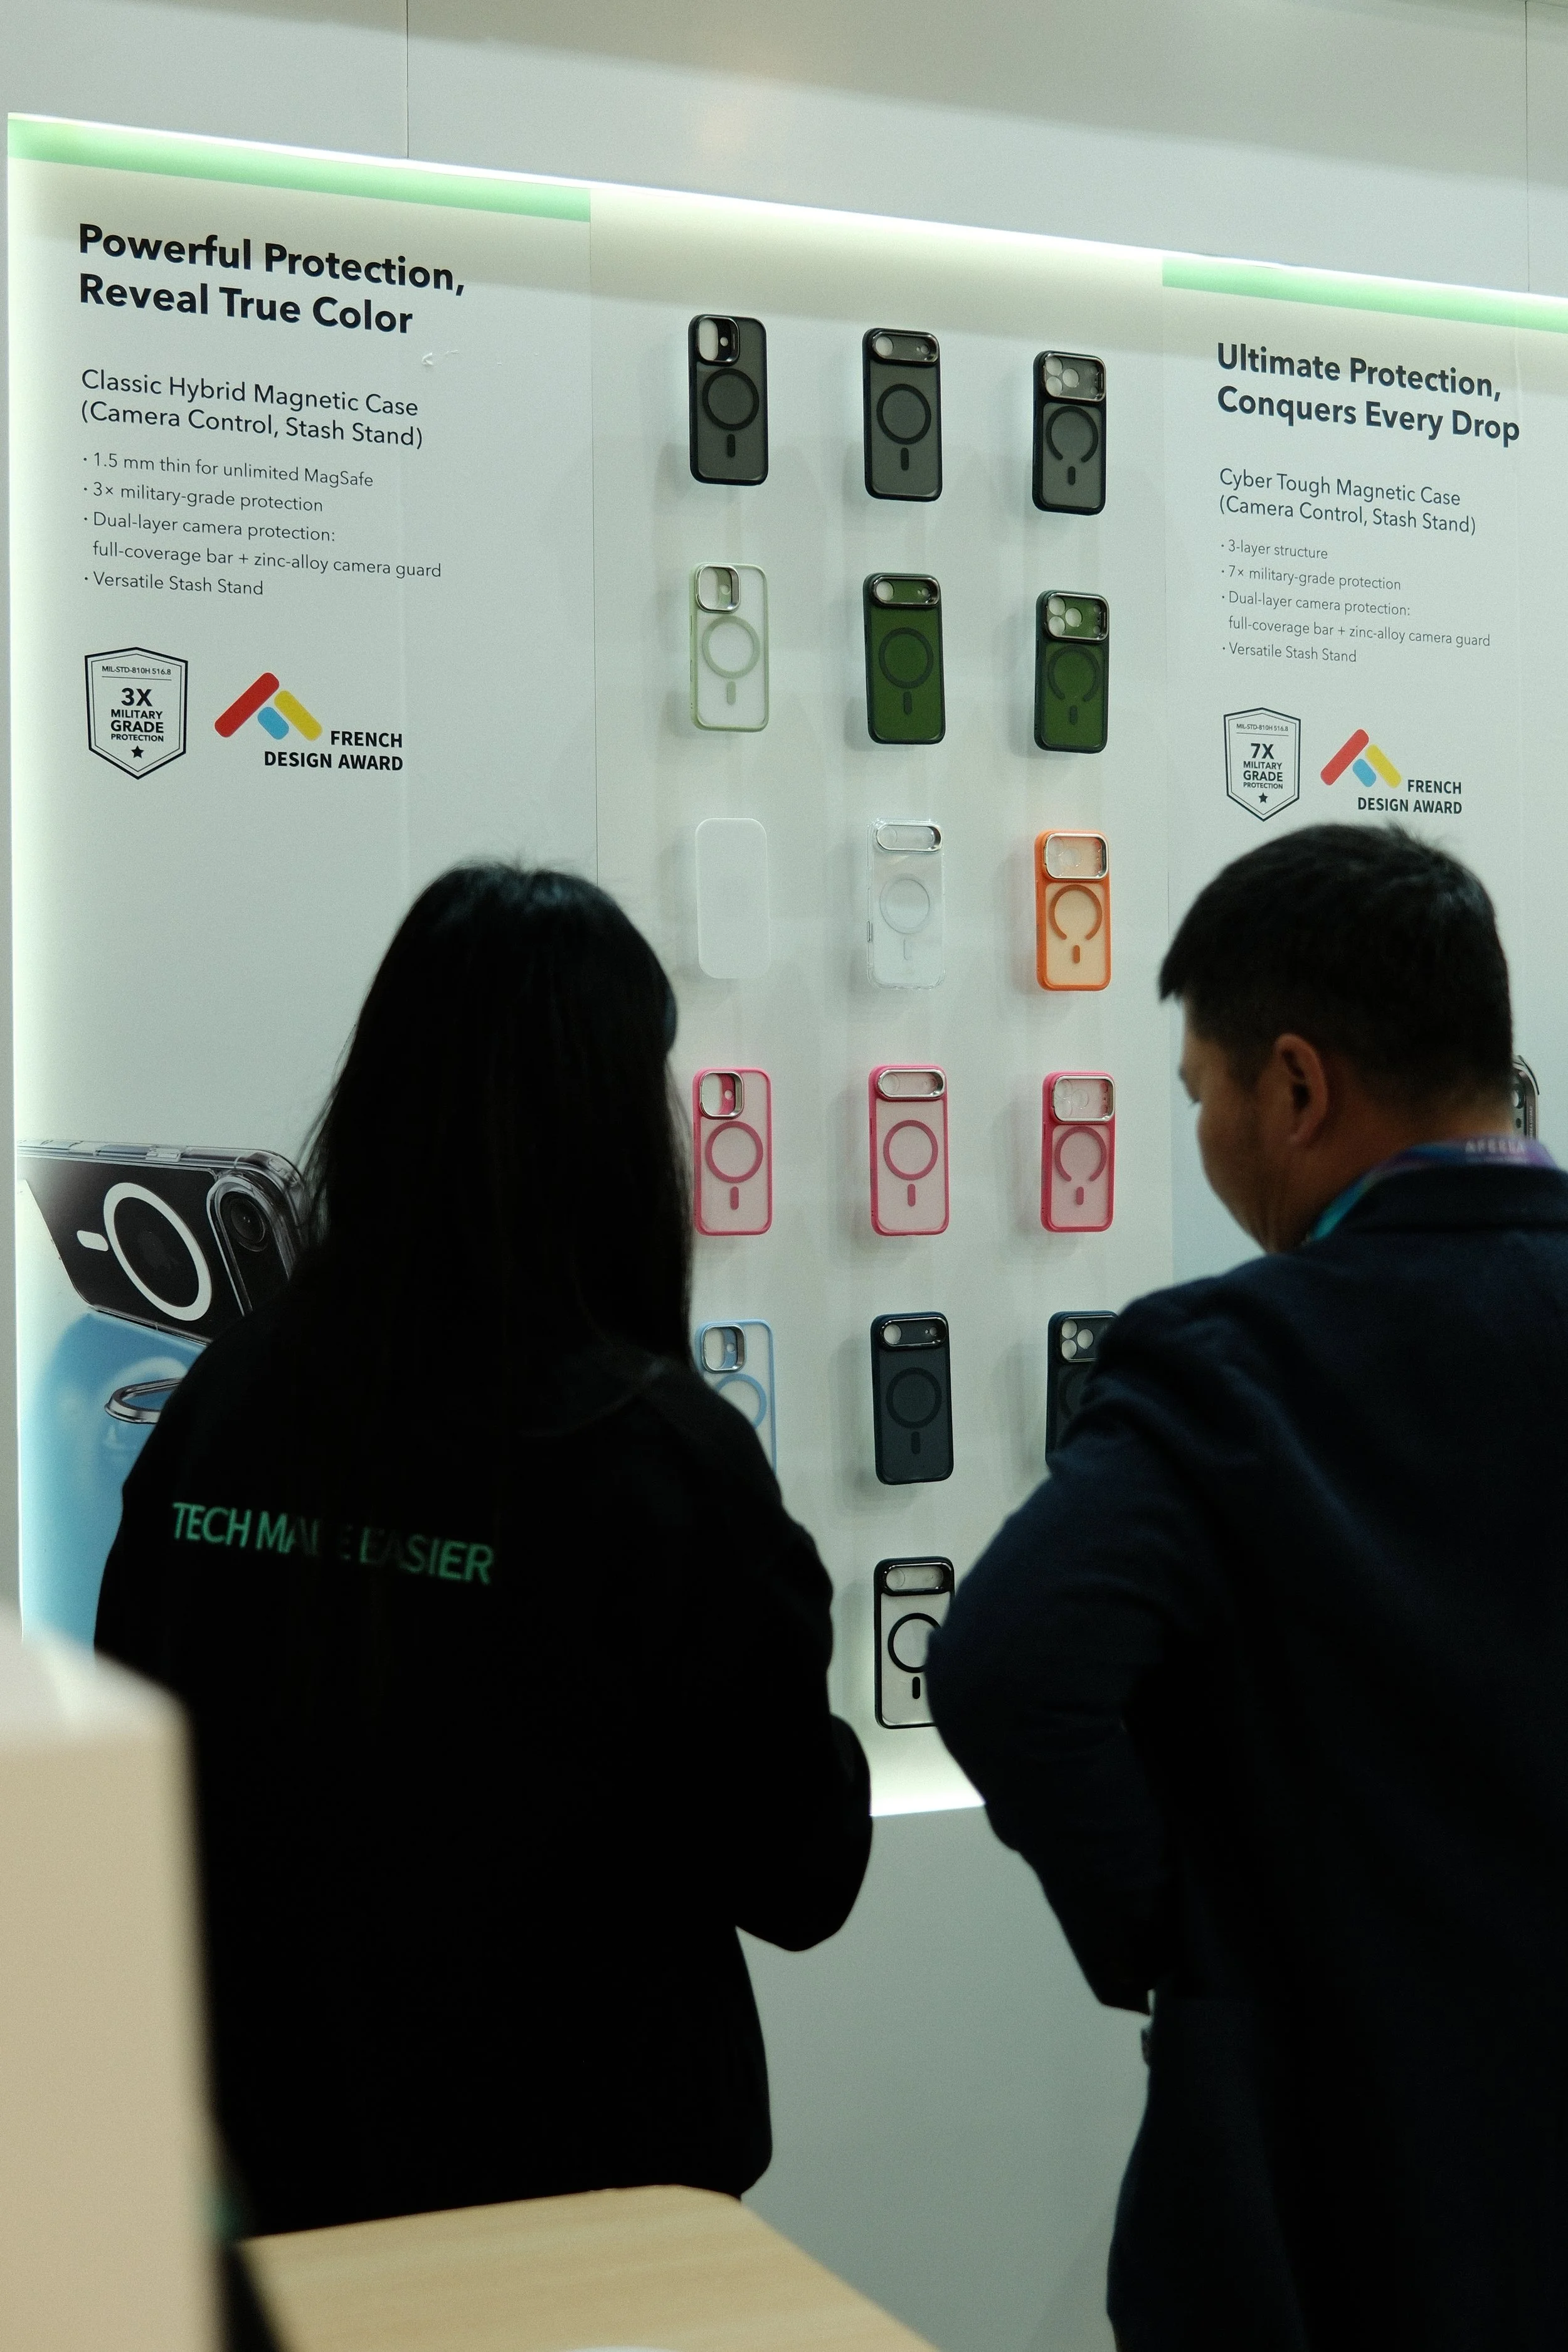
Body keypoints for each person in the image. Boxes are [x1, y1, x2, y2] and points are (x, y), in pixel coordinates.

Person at [97, 863, 871, 2237]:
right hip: (587, 2210)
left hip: (280, 2181)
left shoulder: (226, 1401)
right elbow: (800, 1873)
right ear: (615, 1126)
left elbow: (144, 1763)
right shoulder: (658, 1459)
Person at [928, 825, 1568, 2352]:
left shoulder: (1228, 1365)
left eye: (1203, 1092)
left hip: (1322, 2173)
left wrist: (1181, 1930)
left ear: (1294, 1085)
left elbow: (1006, 1669)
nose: (1208, 1133)